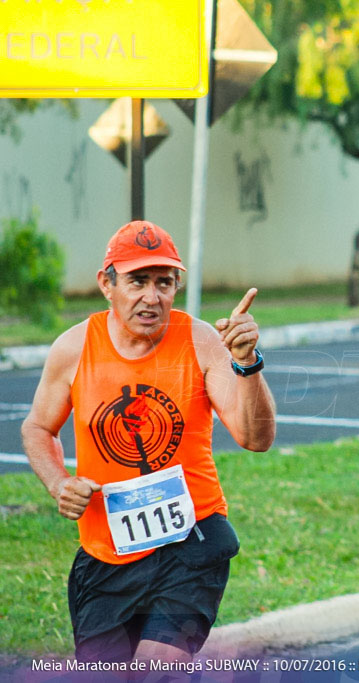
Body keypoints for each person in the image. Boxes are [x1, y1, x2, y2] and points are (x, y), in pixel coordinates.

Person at [21, 220, 276, 663]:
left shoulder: (200, 341)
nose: (152, 297)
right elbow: (37, 428)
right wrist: (58, 483)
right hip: (106, 555)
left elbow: (256, 439)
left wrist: (247, 362)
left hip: (190, 542)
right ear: (107, 283)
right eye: (138, 281)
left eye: (164, 283)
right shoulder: (74, 348)